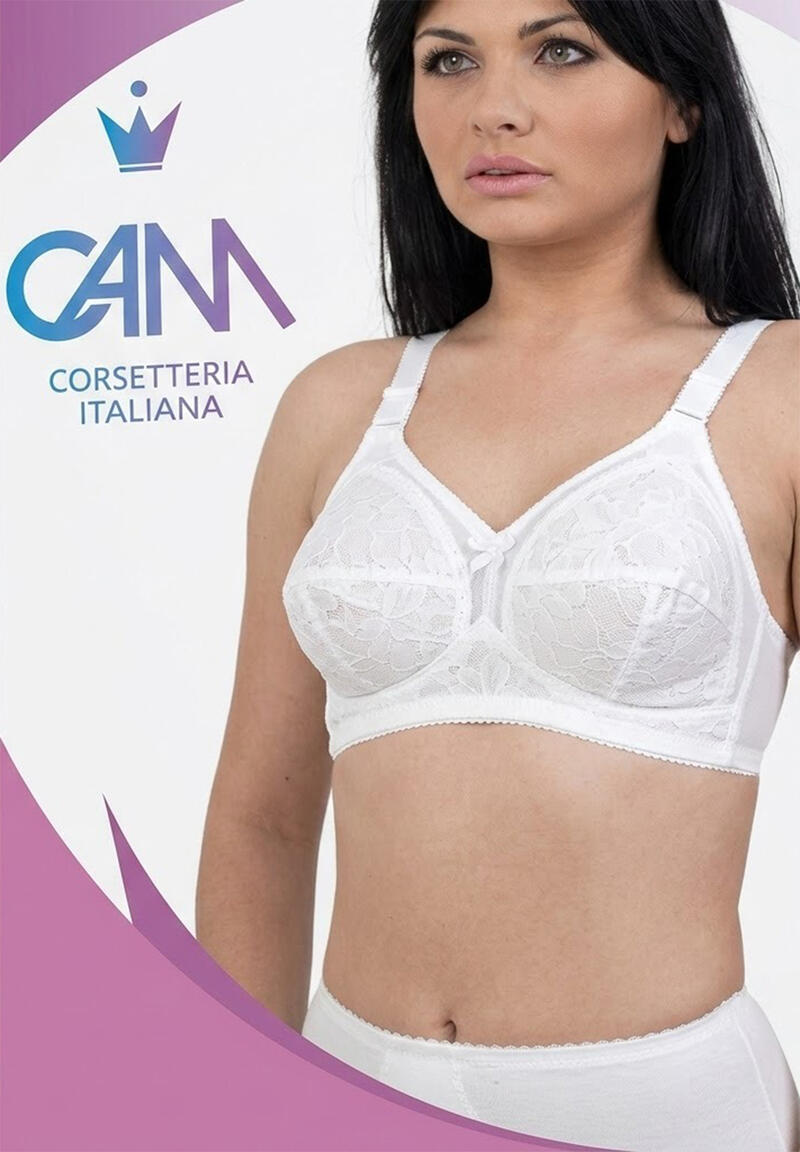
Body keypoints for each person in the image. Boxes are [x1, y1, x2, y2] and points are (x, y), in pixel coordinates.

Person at [195, 1, 800, 1148]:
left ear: (682, 100)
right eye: (447, 62)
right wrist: (236, 1103)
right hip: (350, 1078)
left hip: (661, 1109)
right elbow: (261, 817)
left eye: (559, 50)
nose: (494, 108)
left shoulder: (777, 392)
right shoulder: (337, 405)